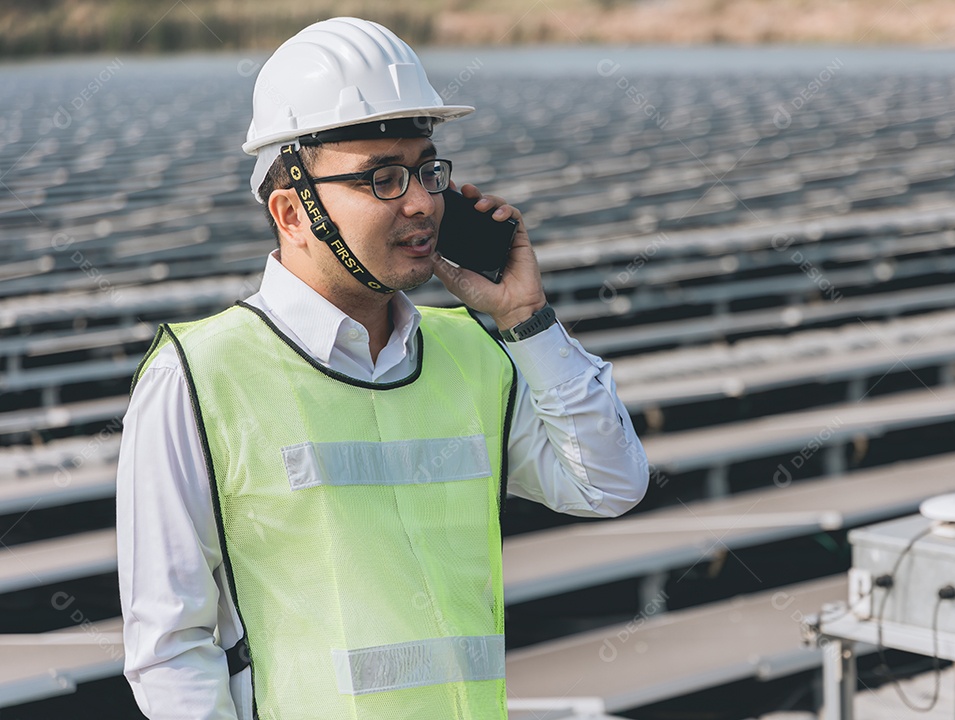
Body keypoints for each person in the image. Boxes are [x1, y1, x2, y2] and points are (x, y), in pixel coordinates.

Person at [116, 17, 648, 720]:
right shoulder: (196, 379)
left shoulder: (476, 356)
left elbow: (608, 485)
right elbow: (170, 647)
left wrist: (527, 319)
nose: (423, 201)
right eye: (383, 178)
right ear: (292, 213)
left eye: (428, 170)